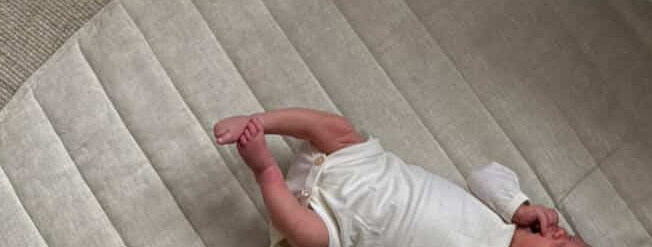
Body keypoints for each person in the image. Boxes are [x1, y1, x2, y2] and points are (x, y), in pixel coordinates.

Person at [213, 109, 590, 247]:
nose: (561, 235)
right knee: (338, 127)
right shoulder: (504, 220)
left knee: (307, 237)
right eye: (569, 236)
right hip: (361, 168)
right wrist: (519, 206)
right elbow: (483, 176)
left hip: (339, 227)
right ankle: (260, 122)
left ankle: (264, 170)